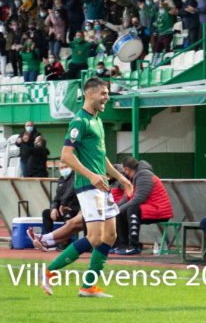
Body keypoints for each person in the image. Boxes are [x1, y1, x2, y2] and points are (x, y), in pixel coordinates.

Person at [40, 78, 134, 298]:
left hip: (102, 187)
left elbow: (103, 158)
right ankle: (49, 270)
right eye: (103, 93)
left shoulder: (98, 120)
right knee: (94, 237)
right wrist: (92, 176)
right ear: (89, 94)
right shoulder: (79, 122)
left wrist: (122, 178)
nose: (107, 97)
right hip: (88, 186)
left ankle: (88, 286)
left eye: (107, 93)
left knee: (110, 236)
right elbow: (66, 156)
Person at [112, 156, 173, 255]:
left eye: (123, 170)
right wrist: (116, 208)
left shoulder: (144, 175)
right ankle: (123, 244)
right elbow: (126, 197)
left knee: (132, 209)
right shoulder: (132, 178)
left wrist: (120, 208)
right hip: (148, 207)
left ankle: (134, 245)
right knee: (120, 212)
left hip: (159, 209)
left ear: (127, 169)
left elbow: (139, 199)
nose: (122, 173)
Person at [39, 165, 79, 250]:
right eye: (61, 168)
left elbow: (71, 192)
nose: (63, 169)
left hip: (74, 208)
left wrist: (63, 204)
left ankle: (65, 243)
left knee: (67, 214)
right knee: (46, 213)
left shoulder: (75, 177)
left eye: (65, 167)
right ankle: (49, 242)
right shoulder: (61, 180)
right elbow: (57, 198)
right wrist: (54, 208)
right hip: (61, 209)